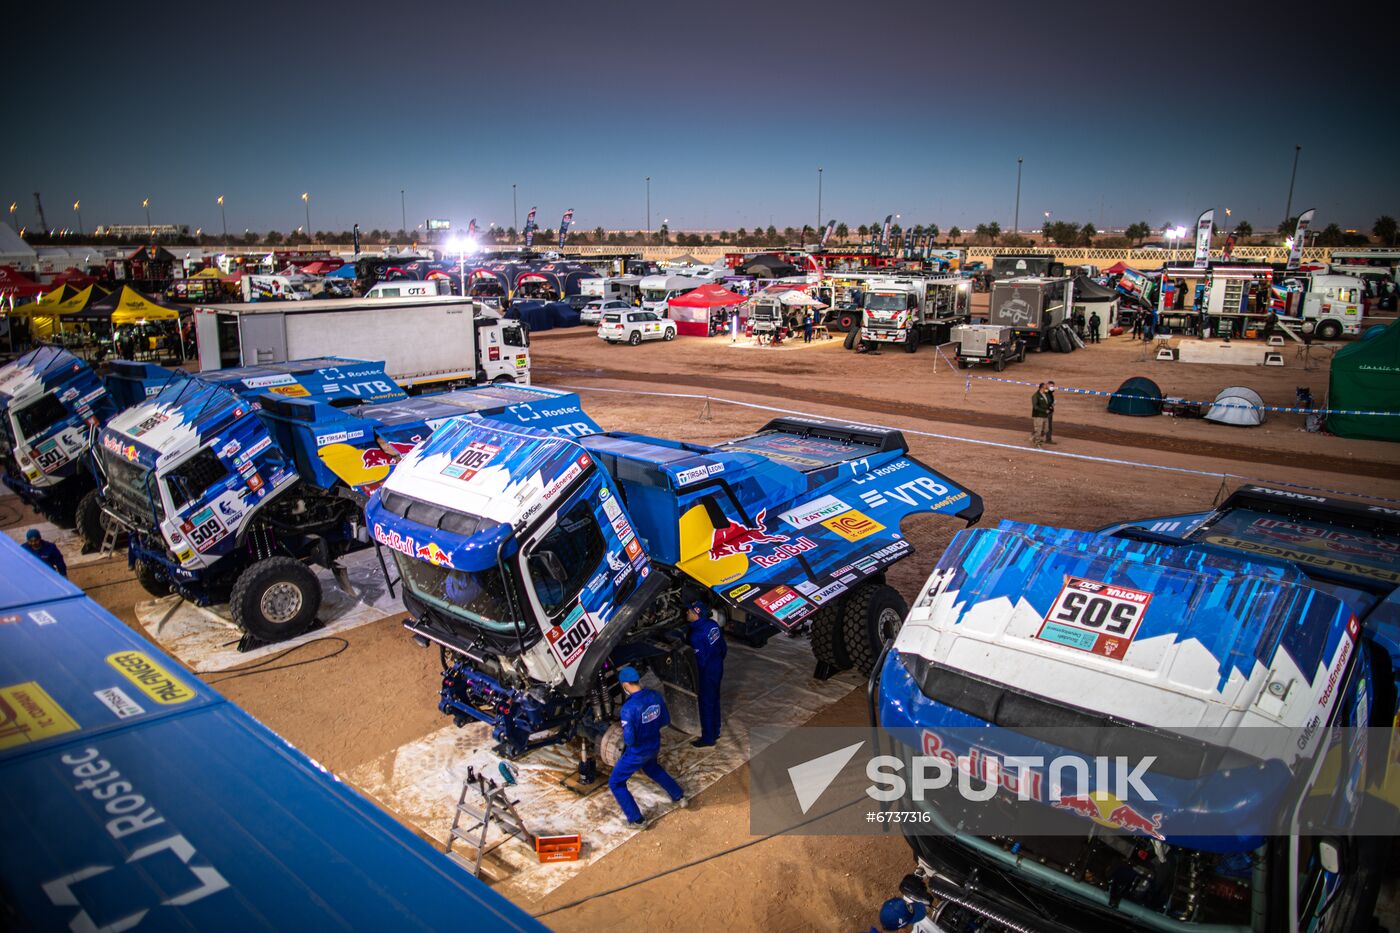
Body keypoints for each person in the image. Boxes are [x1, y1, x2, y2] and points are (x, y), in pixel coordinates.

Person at [609, 666, 684, 825]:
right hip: (654, 745)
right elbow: (665, 721)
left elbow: (629, 740)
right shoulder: (655, 696)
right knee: (652, 768)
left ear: (625, 685)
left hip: (637, 752)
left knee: (615, 782)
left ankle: (637, 820)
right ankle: (679, 796)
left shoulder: (628, 709)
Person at [685, 601, 727, 747]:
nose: (687, 613)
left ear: (697, 615)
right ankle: (716, 730)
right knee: (715, 700)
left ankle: (708, 738)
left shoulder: (696, 636)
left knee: (706, 704)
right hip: (717, 666)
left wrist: (694, 677)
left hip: (706, 673)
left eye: (689, 611)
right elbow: (723, 646)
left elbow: (700, 662)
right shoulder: (713, 625)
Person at [1030, 383, 1050, 449]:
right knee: (1039, 430)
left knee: (1046, 429)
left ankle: (1034, 436)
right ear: (1042, 388)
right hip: (1038, 415)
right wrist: (1044, 410)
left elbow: (1046, 404)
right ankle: (1038, 443)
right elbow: (1035, 407)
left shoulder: (1046, 394)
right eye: (1046, 388)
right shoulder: (1035, 396)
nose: (1047, 389)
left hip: (1045, 415)